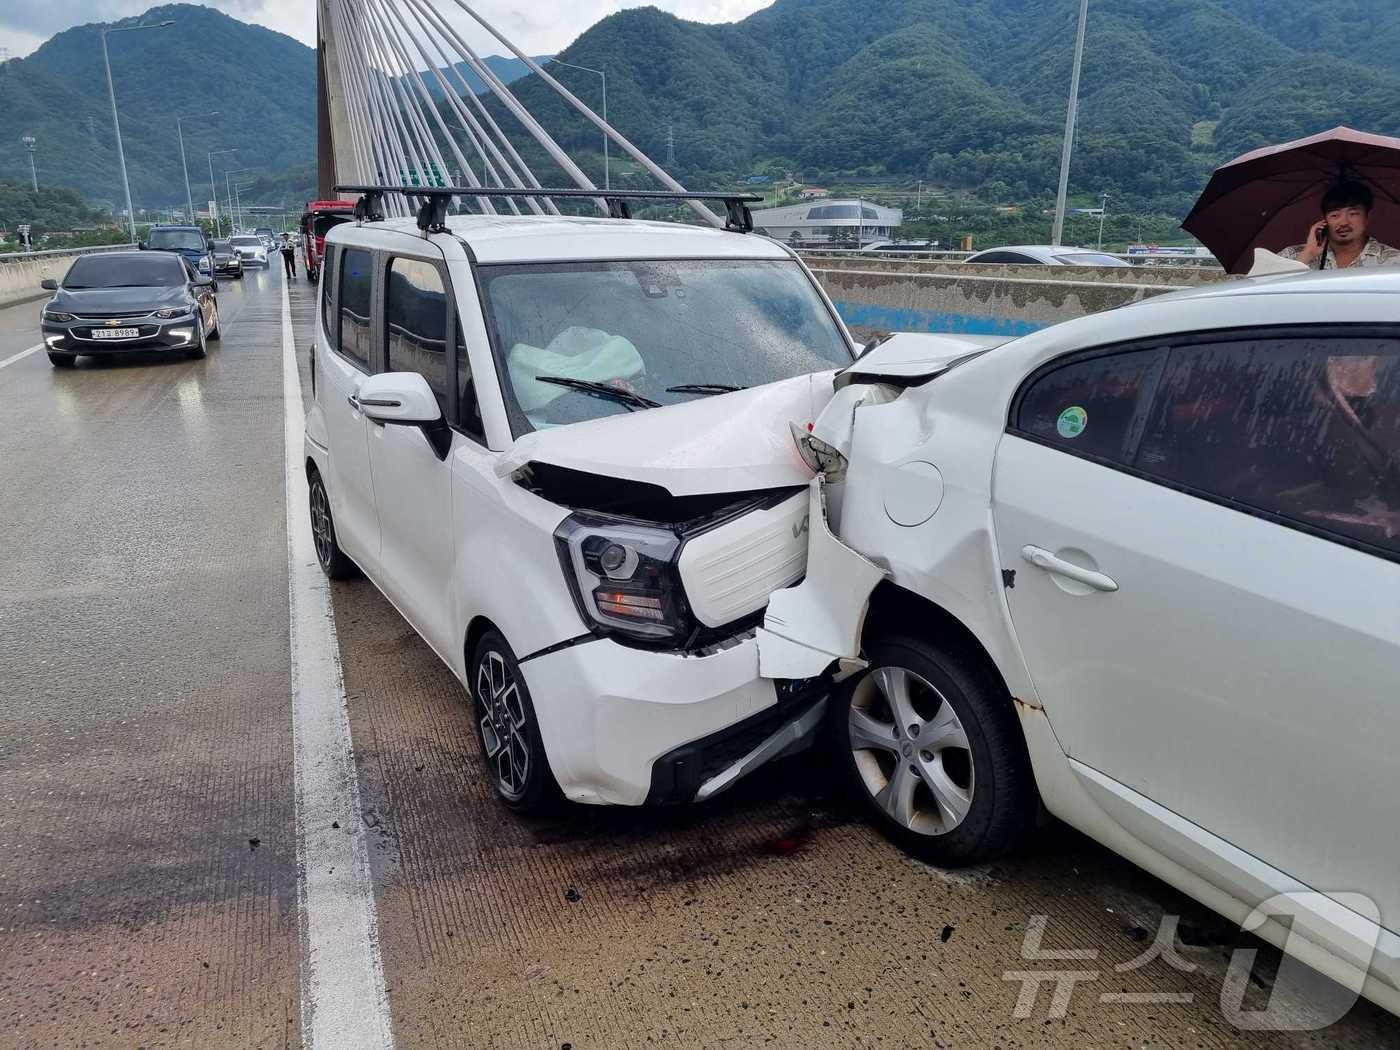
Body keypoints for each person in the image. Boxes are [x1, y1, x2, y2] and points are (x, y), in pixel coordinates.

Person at [1280, 180, 1400, 269]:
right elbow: (1268, 291)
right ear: (1324, 219)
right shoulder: (1292, 255)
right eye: (1335, 215)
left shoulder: (1392, 260)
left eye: (1353, 214)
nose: (1343, 223)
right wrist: (1308, 254)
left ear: (1367, 217)